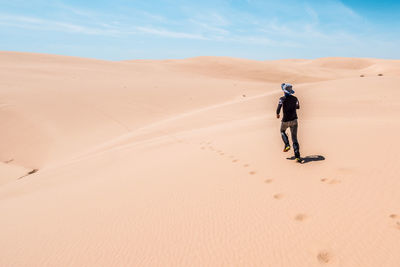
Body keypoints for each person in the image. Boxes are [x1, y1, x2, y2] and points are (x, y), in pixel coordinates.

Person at [276, 83, 304, 163]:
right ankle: (297, 157)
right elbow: (298, 107)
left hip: (285, 120)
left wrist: (277, 114)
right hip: (294, 120)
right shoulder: (295, 98)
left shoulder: (282, 99)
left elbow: (278, 109)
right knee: (294, 138)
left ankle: (287, 144)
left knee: (282, 131)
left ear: (284, 91)